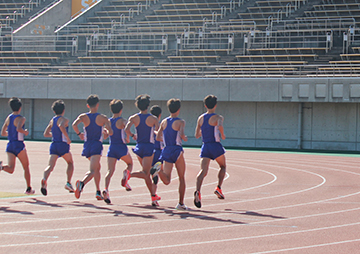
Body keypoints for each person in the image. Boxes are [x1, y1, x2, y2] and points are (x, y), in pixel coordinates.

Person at [72, 94, 112, 200]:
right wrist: (106, 132)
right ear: (97, 105)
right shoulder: (103, 118)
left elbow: (74, 124)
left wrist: (79, 134)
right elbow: (110, 132)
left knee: (97, 168)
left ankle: (98, 191)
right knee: (93, 170)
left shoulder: (83, 116)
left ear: (88, 105)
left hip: (87, 145)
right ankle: (81, 183)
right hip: (96, 145)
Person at [124, 94, 160, 206]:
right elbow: (158, 134)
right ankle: (129, 175)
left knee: (147, 173)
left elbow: (126, 129)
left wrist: (132, 135)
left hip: (139, 147)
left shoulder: (134, 118)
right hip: (149, 147)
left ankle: (153, 196)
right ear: (148, 106)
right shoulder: (153, 119)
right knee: (145, 173)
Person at [194, 95, 226, 208]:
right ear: (215, 105)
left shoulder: (201, 118)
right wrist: (222, 134)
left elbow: (197, 135)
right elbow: (220, 126)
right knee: (223, 166)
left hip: (205, 146)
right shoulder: (218, 117)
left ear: (205, 105)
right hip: (215, 145)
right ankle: (218, 187)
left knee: (203, 171)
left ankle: (197, 191)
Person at [156, 98, 188, 210]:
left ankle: (158, 170)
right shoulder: (181, 122)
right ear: (178, 109)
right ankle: (181, 203)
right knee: (182, 178)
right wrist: (185, 138)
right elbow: (183, 136)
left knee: (167, 180)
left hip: (167, 149)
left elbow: (157, 137)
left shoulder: (164, 122)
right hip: (177, 150)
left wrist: (165, 141)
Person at [0, 97, 34, 194]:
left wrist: (11, 134)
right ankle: (28, 188)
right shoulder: (21, 118)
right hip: (18, 145)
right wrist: (25, 132)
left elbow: (3, 132)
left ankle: (1, 167)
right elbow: (19, 128)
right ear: (20, 107)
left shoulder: (9, 118)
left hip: (10, 144)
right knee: (26, 167)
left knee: (10, 169)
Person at [41, 100, 74, 196]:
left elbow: (46, 134)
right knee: (70, 162)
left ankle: (44, 179)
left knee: (50, 166)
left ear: (54, 111)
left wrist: (55, 135)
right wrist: (67, 138)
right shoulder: (64, 120)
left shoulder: (52, 120)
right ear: (63, 110)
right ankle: (68, 182)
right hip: (62, 145)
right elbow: (61, 126)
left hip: (54, 145)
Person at [102, 99, 133, 204]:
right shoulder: (123, 121)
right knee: (130, 163)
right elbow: (127, 129)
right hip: (121, 147)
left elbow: (106, 135)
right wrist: (128, 137)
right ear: (121, 110)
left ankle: (106, 189)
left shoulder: (108, 122)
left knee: (110, 171)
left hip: (112, 148)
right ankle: (126, 175)